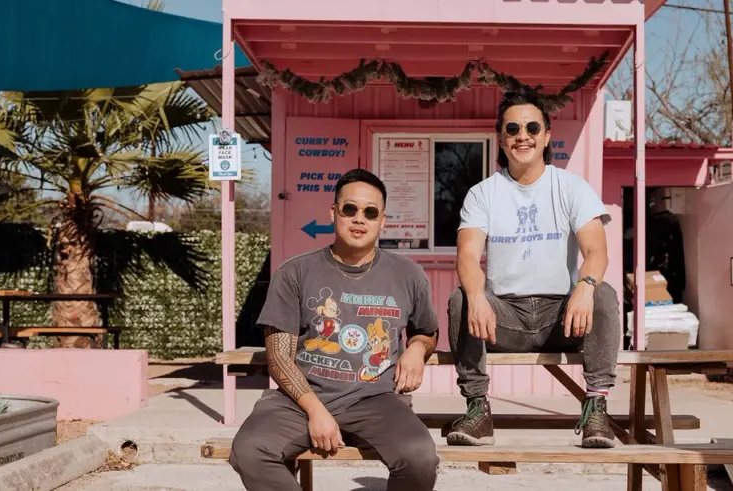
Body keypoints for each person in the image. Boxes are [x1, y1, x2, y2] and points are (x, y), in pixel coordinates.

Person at [229, 169, 442, 491]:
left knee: (420, 458)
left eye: (370, 212)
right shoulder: (295, 272)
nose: (359, 219)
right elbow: (279, 358)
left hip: (375, 399)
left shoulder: (408, 274)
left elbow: (427, 330)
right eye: (349, 209)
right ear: (333, 213)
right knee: (250, 450)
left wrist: (417, 348)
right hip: (298, 400)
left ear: (383, 220)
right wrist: (315, 411)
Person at [445, 90, 621, 449]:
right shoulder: (483, 193)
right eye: (512, 129)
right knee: (460, 300)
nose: (522, 135)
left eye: (531, 127)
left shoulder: (571, 187)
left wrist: (585, 286)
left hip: (562, 317)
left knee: (602, 293)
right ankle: (478, 409)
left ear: (546, 136)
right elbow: (467, 256)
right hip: (504, 318)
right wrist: (477, 296)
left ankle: (596, 409)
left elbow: (596, 251)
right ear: (501, 139)